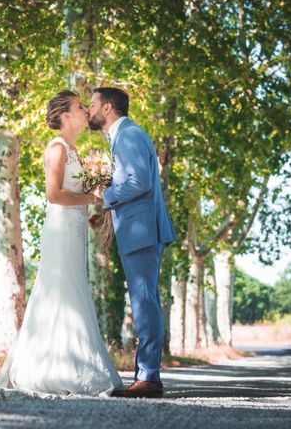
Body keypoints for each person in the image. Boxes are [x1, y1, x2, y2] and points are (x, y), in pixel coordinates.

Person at [0, 90, 123, 400]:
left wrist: (97, 186)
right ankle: (51, 369)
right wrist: (92, 197)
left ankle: (68, 361)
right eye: (80, 107)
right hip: (60, 227)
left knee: (73, 288)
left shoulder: (75, 150)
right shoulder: (57, 148)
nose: (84, 110)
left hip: (75, 227)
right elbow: (53, 195)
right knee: (61, 289)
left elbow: (72, 188)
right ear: (66, 115)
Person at [90, 87, 177, 398]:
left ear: (108, 108)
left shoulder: (127, 134)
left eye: (93, 104)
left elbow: (140, 182)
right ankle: (146, 374)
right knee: (145, 301)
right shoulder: (124, 136)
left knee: (144, 302)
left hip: (141, 230)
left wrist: (106, 195)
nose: (89, 109)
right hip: (139, 230)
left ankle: (149, 378)